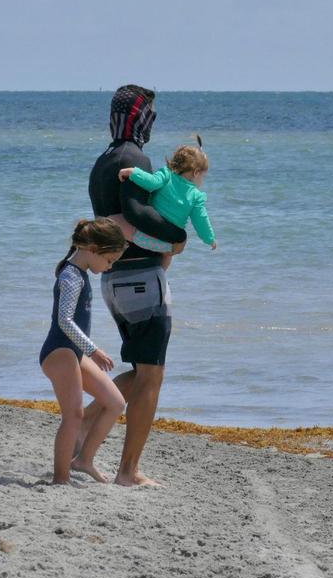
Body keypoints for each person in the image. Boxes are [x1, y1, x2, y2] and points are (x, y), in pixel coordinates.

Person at [85, 84, 187, 487]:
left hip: (116, 281)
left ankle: (85, 425)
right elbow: (133, 213)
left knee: (145, 372)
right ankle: (129, 471)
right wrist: (177, 236)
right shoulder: (133, 158)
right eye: (149, 114)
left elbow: (116, 218)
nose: (152, 122)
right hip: (141, 279)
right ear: (138, 117)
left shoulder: (104, 159)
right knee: (151, 377)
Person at [39, 218, 128, 485]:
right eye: (110, 260)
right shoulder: (70, 276)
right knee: (74, 415)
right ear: (92, 248)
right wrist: (94, 349)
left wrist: (86, 352)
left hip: (74, 353)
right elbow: (64, 321)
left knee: (115, 402)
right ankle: (60, 478)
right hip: (59, 353)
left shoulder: (81, 274)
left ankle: (84, 460)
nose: (109, 266)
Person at [116, 141, 217, 270]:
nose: (202, 181)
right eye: (203, 177)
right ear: (196, 172)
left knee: (133, 234)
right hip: (169, 240)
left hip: (148, 228)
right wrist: (210, 239)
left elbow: (151, 182)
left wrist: (133, 172)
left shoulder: (166, 174)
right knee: (168, 255)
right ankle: (161, 275)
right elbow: (201, 220)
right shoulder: (196, 196)